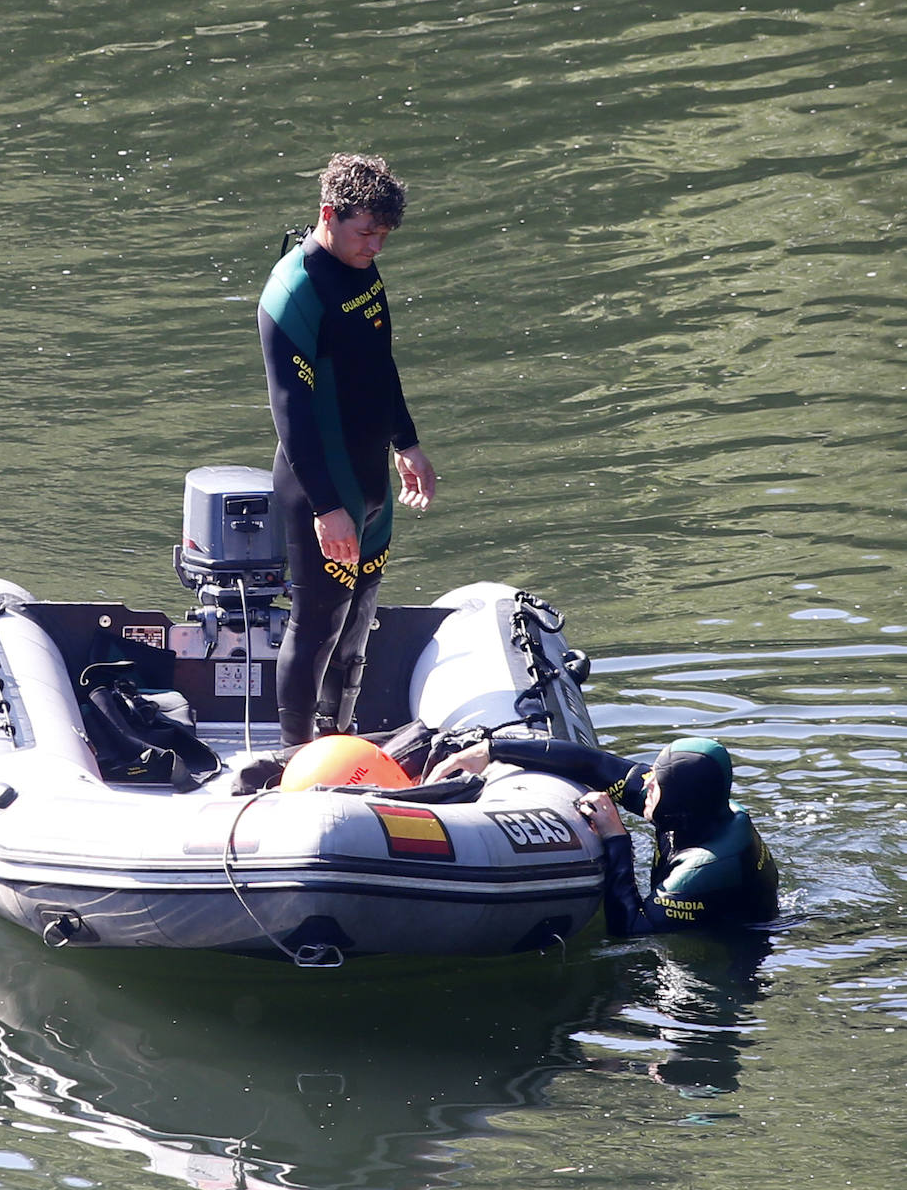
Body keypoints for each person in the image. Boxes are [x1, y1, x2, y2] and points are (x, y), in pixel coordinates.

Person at [258, 153, 435, 748]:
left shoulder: (360, 269)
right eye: (367, 233)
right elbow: (292, 414)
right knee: (318, 624)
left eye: (384, 236)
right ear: (329, 215)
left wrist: (406, 442)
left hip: (370, 482)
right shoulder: (295, 290)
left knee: (358, 621)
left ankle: (340, 739)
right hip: (322, 482)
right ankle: (296, 756)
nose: (376, 247)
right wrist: (326, 506)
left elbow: (378, 366)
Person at [427, 734, 778, 935]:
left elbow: (631, 930)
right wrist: (490, 750)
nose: (647, 782)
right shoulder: (692, 807)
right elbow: (594, 765)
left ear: (678, 805)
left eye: (657, 784)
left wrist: (616, 839)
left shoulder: (706, 865)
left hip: (731, 951)